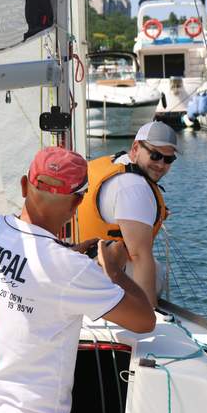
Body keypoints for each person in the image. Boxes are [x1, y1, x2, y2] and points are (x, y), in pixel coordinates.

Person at [0, 146, 155, 413]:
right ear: (77, 203)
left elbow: (25, 265)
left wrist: (68, 254)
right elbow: (145, 321)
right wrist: (115, 271)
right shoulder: (69, 269)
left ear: (22, 186)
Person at [77, 121, 178, 307]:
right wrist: (149, 315)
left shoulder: (115, 162)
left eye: (168, 159)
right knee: (155, 270)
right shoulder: (135, 187)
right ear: (136, 147)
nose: (161, 164)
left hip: (79, 266)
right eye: (155, 155)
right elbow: (139, 256)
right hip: (102, 278)